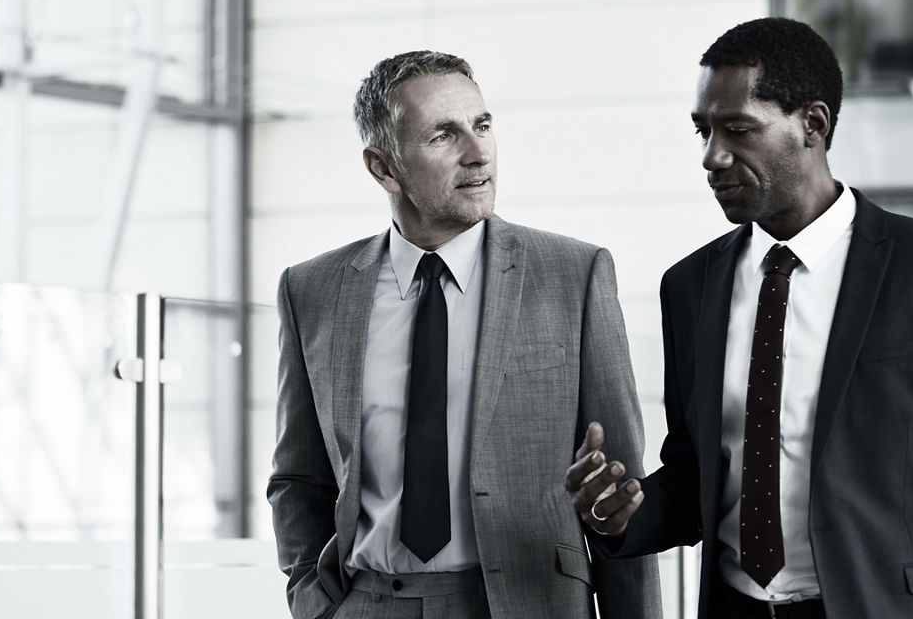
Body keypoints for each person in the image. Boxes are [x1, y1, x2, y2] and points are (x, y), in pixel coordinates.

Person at [565, 17, 913, 618]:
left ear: (813, 124)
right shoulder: (690, 287)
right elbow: (694, 478)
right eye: (704, 131)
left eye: (738, 130)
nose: (712, 156)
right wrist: (622, 513)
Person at [269, 50, 661, 619]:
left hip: (526, 604)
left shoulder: (573, 275)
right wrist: (313, 599)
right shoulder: (312, 290)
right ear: (383, 168)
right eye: (442, 135)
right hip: (368, 603)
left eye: (482, 125)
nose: (478, 154)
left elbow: (620, 486)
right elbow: (298, 476)